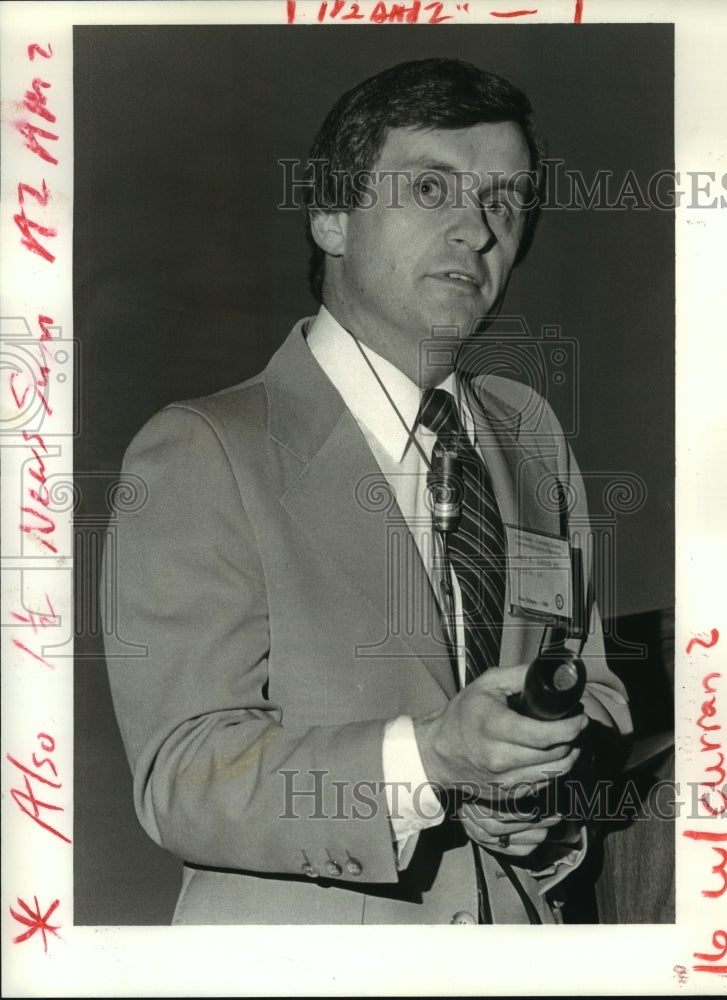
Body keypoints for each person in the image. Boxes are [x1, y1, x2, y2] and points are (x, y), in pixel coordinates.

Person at [103, 57, 632, 925]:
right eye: (432, 186)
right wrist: (432, 760)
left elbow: (595, 692)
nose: (477, 228)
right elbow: (185, 777)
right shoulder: (203, 450)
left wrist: (545, 805)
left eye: (506, 199)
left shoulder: (531, 435)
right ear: (330, 215)